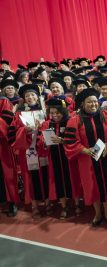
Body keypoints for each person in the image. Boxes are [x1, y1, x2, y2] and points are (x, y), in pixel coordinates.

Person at [63, 88, 107, 226]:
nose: (93, 104)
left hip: (106, 157)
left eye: (95, 101)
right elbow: (70, 141)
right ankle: (98, 213)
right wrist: (84, 150)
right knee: (92, 186)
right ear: (83, 104)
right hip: (87, 160)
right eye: (89, 102)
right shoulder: (75, 120)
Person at [8, 84, 49, 218]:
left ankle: (47, 201)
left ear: (37, 97)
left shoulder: (44, 111)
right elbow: (13, 131)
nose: (30, 97)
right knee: (30, 176)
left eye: (32, 95)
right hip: (28, 149)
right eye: (27, 96)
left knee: (45, 174)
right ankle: (34, 204)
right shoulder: (19, 114)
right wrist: (25, 130)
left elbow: (50, 127)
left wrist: (41, 128)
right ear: (24, 99)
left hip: (42, 148)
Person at [37, 98, 81, 219]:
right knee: (59, 181)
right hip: (54, 157)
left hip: (69, 157)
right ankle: (64, 206)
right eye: (52, 113)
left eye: (58, 113)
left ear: (64, 111)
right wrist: (45, 142)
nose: (55, 115)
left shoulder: (71, 122)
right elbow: (41, 141)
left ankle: (77, 204)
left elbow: (77, 139)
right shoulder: (47, 124)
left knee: (73, 179)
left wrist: (63, 141)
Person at [0, 96, 19, 217]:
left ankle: (12, 202)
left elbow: (6, 119)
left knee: (6, 174)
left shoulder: (3, 101)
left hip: (2, 146)